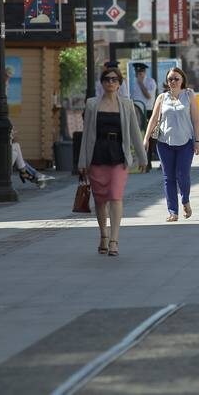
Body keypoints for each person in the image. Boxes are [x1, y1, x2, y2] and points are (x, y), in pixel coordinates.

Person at [79, 66, 147, 257]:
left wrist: (142, 157)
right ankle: (103, 235)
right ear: (102, 83)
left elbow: (135, 131)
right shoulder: (92, 104)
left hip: (118, 153)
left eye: (114, 80)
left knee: (115, 196)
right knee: (100, 199)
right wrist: (82, 162)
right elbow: (86, 136)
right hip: (97, 154)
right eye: (107, 79)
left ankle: (114, 240)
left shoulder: (126, 104)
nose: (111, 82)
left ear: (119, 83)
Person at [144, 67, 199, 222]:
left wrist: (198, 141)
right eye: (170, 79)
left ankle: (185, 200)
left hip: (186, 142)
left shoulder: (189, 95)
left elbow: (196, 120)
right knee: (168, 177)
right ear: (167, 81)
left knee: (183, 175)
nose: (173, 82)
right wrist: (146, 139)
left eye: (176, 78)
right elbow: (154, 119)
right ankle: (173, 212)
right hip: (164, 143)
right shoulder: (162, 98)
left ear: (182, 80)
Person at [0, 98, 50, 185]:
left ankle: (25, 172)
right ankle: (9, 175)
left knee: (15, 151)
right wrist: (10, 135)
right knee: (15, 151)